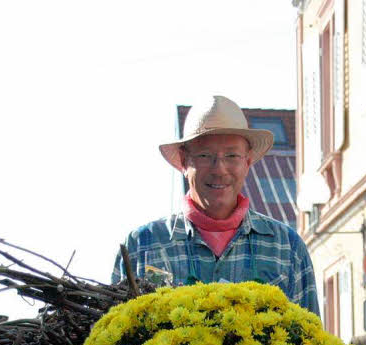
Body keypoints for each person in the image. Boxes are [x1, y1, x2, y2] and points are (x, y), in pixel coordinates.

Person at [112, 95, 319, 315]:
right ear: (184, 161)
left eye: (232, 155)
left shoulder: (287, 247)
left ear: (247, 162)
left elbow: (311, 341)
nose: (219, 169)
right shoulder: (141, 246)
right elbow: (117, 339)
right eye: (204, 155)